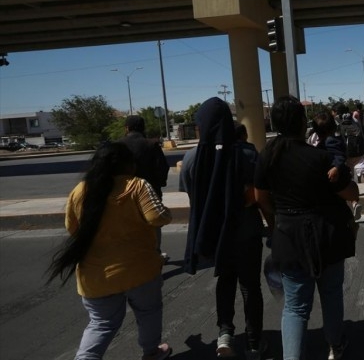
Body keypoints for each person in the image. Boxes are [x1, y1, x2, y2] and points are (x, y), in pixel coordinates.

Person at [255, 95, 359, 360]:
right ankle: (336, 345)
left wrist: (278, 221)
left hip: (289, 238)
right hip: (327, 236)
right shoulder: (321, 158)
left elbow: (261, 199)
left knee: (295, 307)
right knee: (332, 295)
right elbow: (350, 194)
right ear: (302, 123)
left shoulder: (267, 156)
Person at [46, 142, 172, 360]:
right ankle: (151, 352)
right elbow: (158, 217)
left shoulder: (80, 190)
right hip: (139, 270)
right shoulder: (138, 185)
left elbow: (72, 228)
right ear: (128, 164)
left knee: (101, 324)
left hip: (95, 277)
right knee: (148, 312)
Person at [179, 98, 267, 358]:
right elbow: (259, 194)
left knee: (225, 282)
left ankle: (225, 334)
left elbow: (192, 199)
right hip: (247, 233)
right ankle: (254, 343)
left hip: (216, 235)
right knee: (251, 287)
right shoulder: (248, 154)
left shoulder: (191, 158)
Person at [118, 115, 169, 260]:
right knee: (154, 224)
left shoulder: (118, 145)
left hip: (125, 193)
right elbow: (162, 168)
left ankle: (133, 256)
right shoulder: (151, 144)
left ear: (127, 128)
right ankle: (155, 254)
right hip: (151, 192)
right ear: (143, 128)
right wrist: (159, 184)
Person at [312, 111, 363, 220]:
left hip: (338, 174)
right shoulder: (325, 142)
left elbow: (340, 156)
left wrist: (336, 167)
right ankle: (353, 205)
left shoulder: (330, 141)